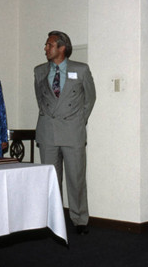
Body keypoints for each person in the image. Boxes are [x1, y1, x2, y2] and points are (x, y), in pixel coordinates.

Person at [34, 31, 96, 235]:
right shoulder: (39, 70)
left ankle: (80, 219)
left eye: (49, 44)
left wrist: (78, 120)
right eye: (46, 44)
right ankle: (53, 219)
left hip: (72, 131)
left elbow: (90, 99)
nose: (45, 48)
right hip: (48, 131)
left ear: (62, 48)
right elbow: (41, 99)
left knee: (76, 178)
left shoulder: (81, 69)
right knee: (51, 179)